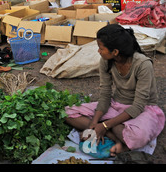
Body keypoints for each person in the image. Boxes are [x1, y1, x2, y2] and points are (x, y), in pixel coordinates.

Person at [65, 24, 165, 157]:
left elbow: (139, 105)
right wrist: (94, 124)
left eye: (101, 48)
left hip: (143, 109)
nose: (98, 51)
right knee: (67, 112)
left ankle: (113, 130)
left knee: (138, 137)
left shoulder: (143, 64)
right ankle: (114, 135)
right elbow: (105, 94)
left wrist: (104, 125)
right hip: (116, 105)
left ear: (115, 52)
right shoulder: (106, 61)